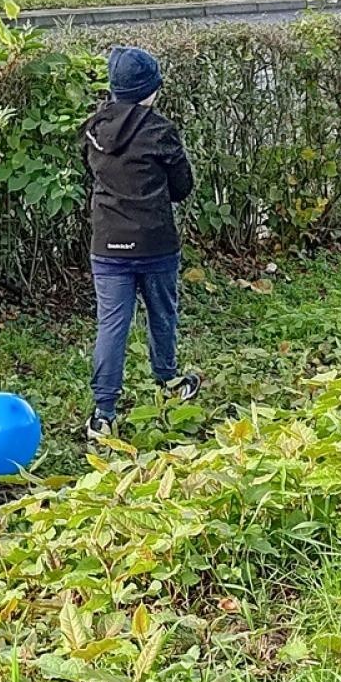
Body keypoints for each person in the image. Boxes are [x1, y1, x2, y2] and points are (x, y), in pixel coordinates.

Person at [82, 46, 201, 441]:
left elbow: (92, 172)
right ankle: (168, 383)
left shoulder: (94, 129)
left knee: (111, 325)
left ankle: (103, 413)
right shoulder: (160, 131)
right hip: (155, 243)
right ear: (151, 90)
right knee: (162, 314)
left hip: (107, 244)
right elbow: (182, 187)